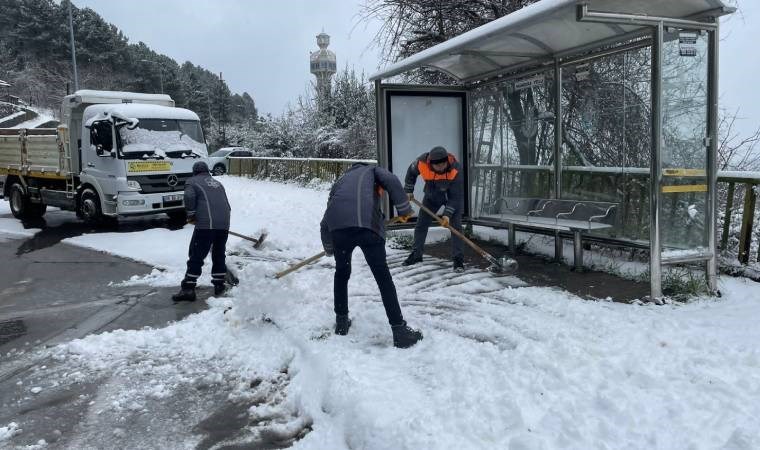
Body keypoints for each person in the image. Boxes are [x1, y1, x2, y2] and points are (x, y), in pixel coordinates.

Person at [320, 163, 423, 349]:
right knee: (383, 277)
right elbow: (391, 180)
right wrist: (404, 209)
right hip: (367, 227)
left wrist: (329, 247)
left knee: (341, 274)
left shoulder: (341, 181)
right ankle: (399, 331)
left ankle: (341, 323)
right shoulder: (372, 170)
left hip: (338, 230)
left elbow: (328, 215)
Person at [172, 161, 232, 302]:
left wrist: (191, 215)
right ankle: (219, 285)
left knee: (196, 254)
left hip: (206, 225)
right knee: (218, 253)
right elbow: (225, 203)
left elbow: (189, 196)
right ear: (207, 171)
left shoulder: (192, 181)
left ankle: (188, 288)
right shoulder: (218, 183)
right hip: (224, 224)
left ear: (195, 172)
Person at [402, 146, 465, 272]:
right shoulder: (421, 163)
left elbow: (456, 196)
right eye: (438, 166)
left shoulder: (456, 168)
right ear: (431, 163)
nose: (441, 167)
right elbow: (411, 172)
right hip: (432, 196)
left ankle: (458, 260)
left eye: (443, 164)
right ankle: (416, 255)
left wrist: (447, 215)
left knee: (456, 227)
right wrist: (409, 190)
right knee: (421, 225)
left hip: (451, 197)